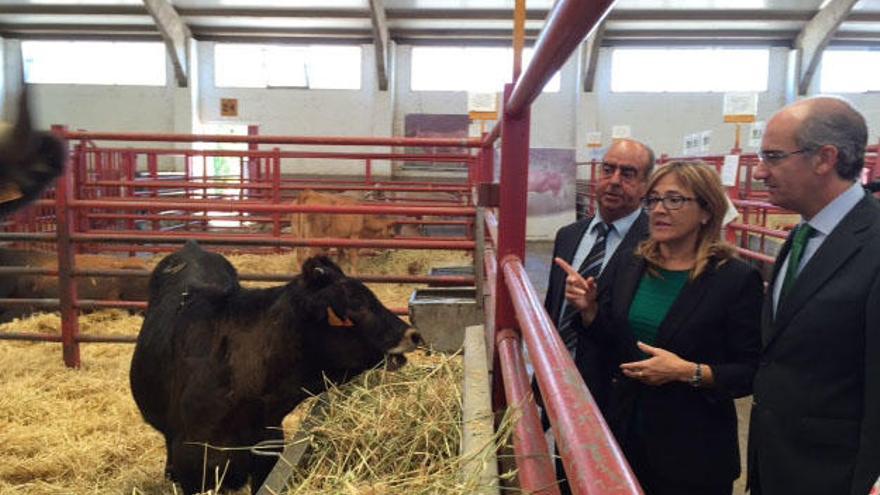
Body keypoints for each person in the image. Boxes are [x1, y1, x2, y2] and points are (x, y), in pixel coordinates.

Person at [559, 161, 762, 494]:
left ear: (707, 211)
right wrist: (590, 311)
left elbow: (750, 371)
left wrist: (688, 372)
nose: (659, 210)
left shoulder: (734, 279)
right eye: (653, 200)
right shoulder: (632, 263)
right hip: (626, 433)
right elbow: (617, 342)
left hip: (692, 452)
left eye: (675, 200)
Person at [747, 97, 880, 495]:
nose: (759, 171)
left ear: (825, 158)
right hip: (778, 465)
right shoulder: (801, 236)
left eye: (773, 157)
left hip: (834, 476)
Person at [544, 138, 654, 407]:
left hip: (613, 394)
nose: (614, 180)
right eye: (608, 169)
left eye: (628, 174)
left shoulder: (654, 245)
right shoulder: (568, 236)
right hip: (557, 379)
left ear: (646, 187)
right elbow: (553, 307)